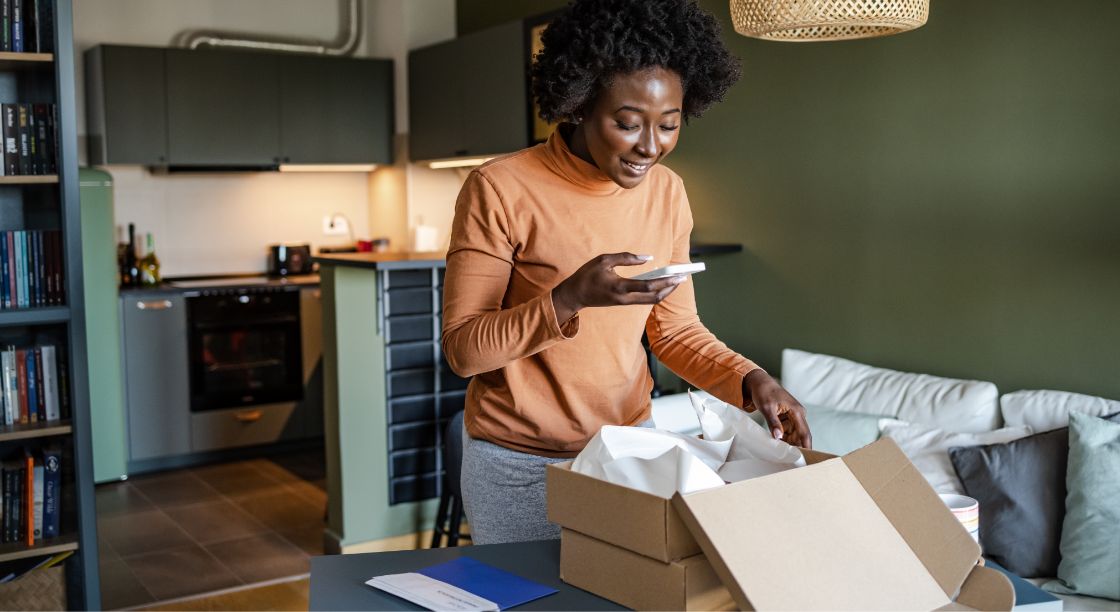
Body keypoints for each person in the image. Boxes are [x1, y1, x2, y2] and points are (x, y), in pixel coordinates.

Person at [441, 0, 812, 545]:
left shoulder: (667, 193)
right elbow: (464, 350)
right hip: (519, 466)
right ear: (578, 105)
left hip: (628, 454)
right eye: (627, 123)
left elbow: (674, 330)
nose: (650, 147)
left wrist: (751, 381)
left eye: (669, 125)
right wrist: (568, 297)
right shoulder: (500, 188)